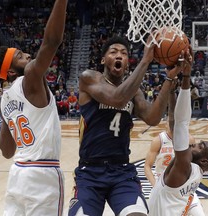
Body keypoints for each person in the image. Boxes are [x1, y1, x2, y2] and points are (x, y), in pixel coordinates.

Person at [68, 35, 187, 216]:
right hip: (90, 172)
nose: (119, 56)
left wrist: (169, 80)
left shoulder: (134, 91)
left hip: (122, 171)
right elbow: (117, 99)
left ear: (127, 62)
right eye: (113, 52)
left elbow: (153, 118)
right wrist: (146, 60)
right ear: (102, 59)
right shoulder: (89, 78)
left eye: (124, 53)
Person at [0, 0, 67, 215]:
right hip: (42, 174)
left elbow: (6, 151)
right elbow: (52, 41)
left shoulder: (5, 98)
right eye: (21, 57)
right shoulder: (31, 77)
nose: (29, 57)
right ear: (12, 71)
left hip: (17, 175)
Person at [148, 55, 208, 216]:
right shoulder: (197, 172)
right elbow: (176, 124)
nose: (193, 144)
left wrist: (186, 77)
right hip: (179, 204)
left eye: (199, 146)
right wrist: (172, 93)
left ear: (204, 160)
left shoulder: (183, 165)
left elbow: (180, 123)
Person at [144, 80, 206, 215]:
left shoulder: (189, 139)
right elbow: (147, 166)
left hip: (183, 187)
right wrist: (155, 185)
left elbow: (193, 165)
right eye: (169, 121)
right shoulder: (158, 140)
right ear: (166, 123)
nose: (171, 124)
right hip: (164, 185)